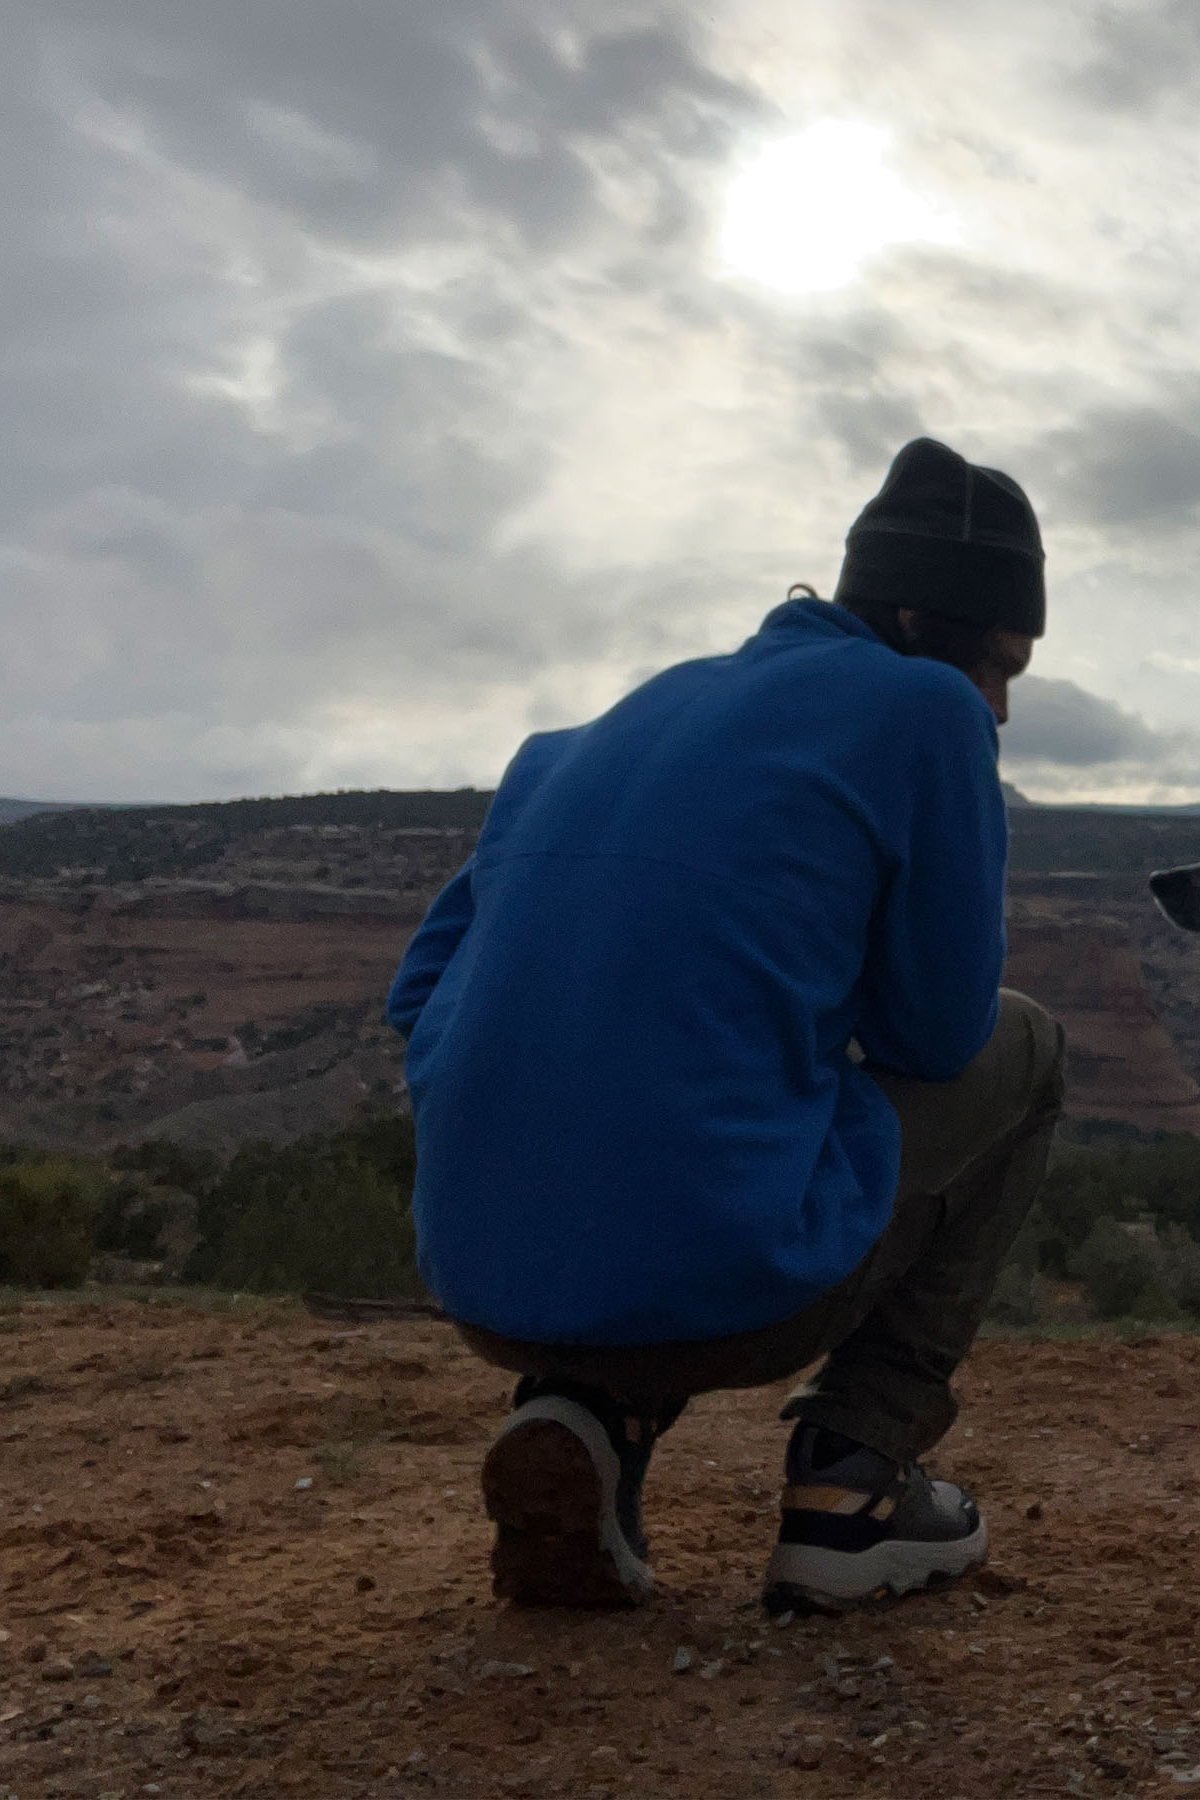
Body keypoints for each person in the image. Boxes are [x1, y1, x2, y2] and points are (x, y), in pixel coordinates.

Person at [384, 437, 1064, 1612]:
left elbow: (417, 1001)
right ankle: (855, 1480)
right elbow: (938, 1038)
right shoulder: (925, 712)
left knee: (677, 1098)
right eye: (998, 666)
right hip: (726, 1282)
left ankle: (582, 1418)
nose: (998, 708)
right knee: (1028, 1048)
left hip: (477, 1277)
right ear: (918, 619)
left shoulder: (588, 732)